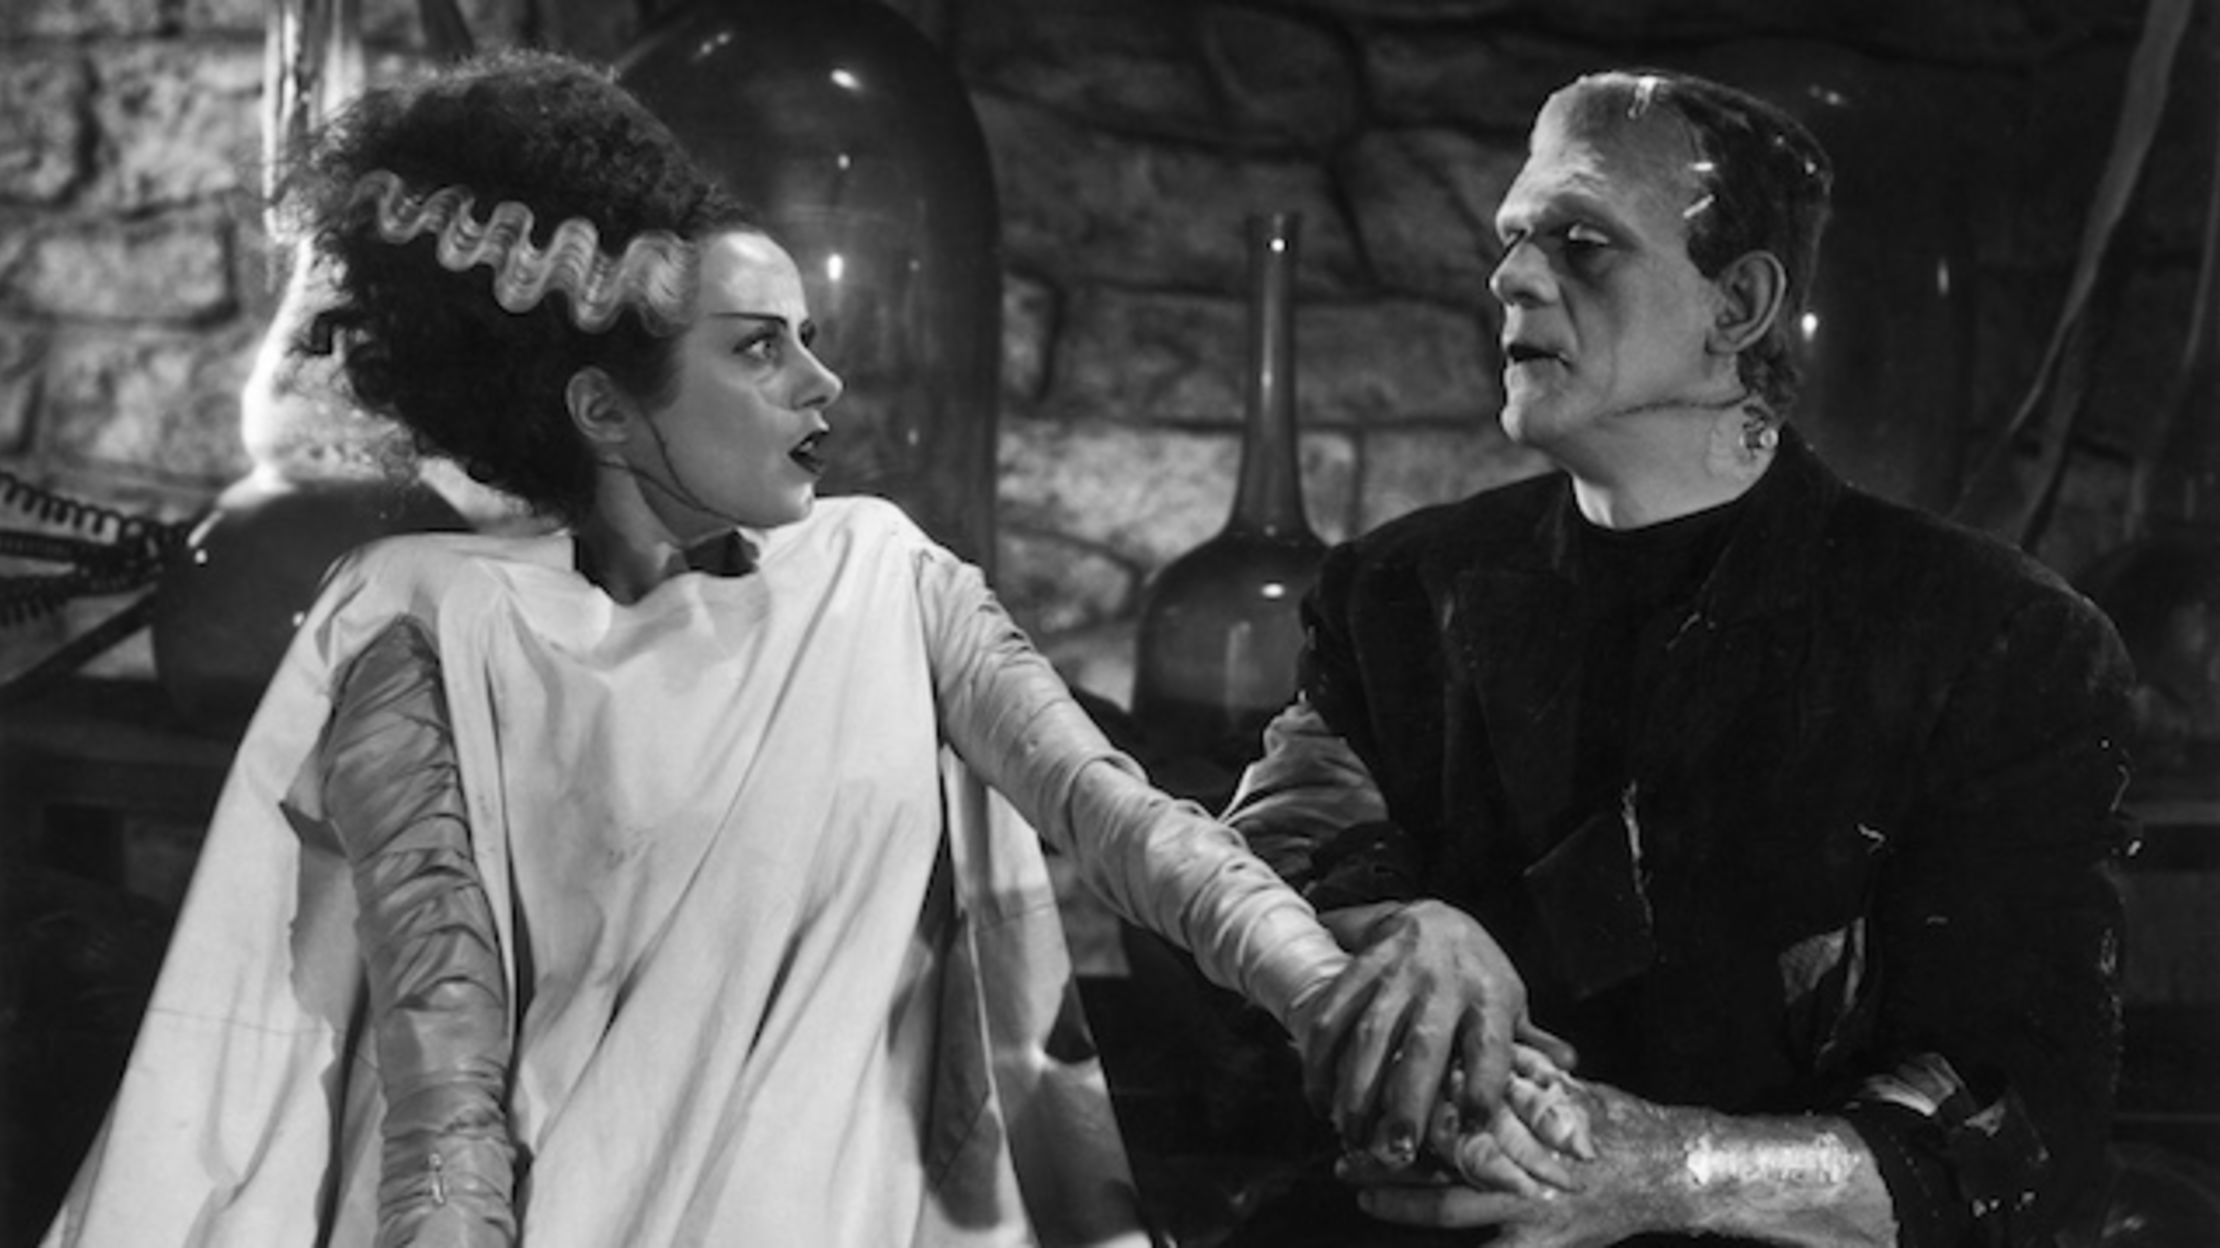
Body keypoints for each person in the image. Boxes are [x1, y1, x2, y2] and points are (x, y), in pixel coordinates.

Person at [37, 50, 1486, 1248]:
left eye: (807, 335)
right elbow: (442, 1064)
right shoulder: (430, 615)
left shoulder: (885, 574)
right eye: (758, 347)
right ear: (603, 410)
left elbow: (1131, 826)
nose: (821, 382)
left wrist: (1325, 992)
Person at [1224, 68, 2135, 1246]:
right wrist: (1390, 919)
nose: (1510, 277)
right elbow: (1263, 857)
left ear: (1739, 303)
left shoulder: (2000, 641)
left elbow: (2020, 1128)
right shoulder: (1396, 593)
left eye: (1582, 242)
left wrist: (1671, 1170)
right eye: (1512, 238)